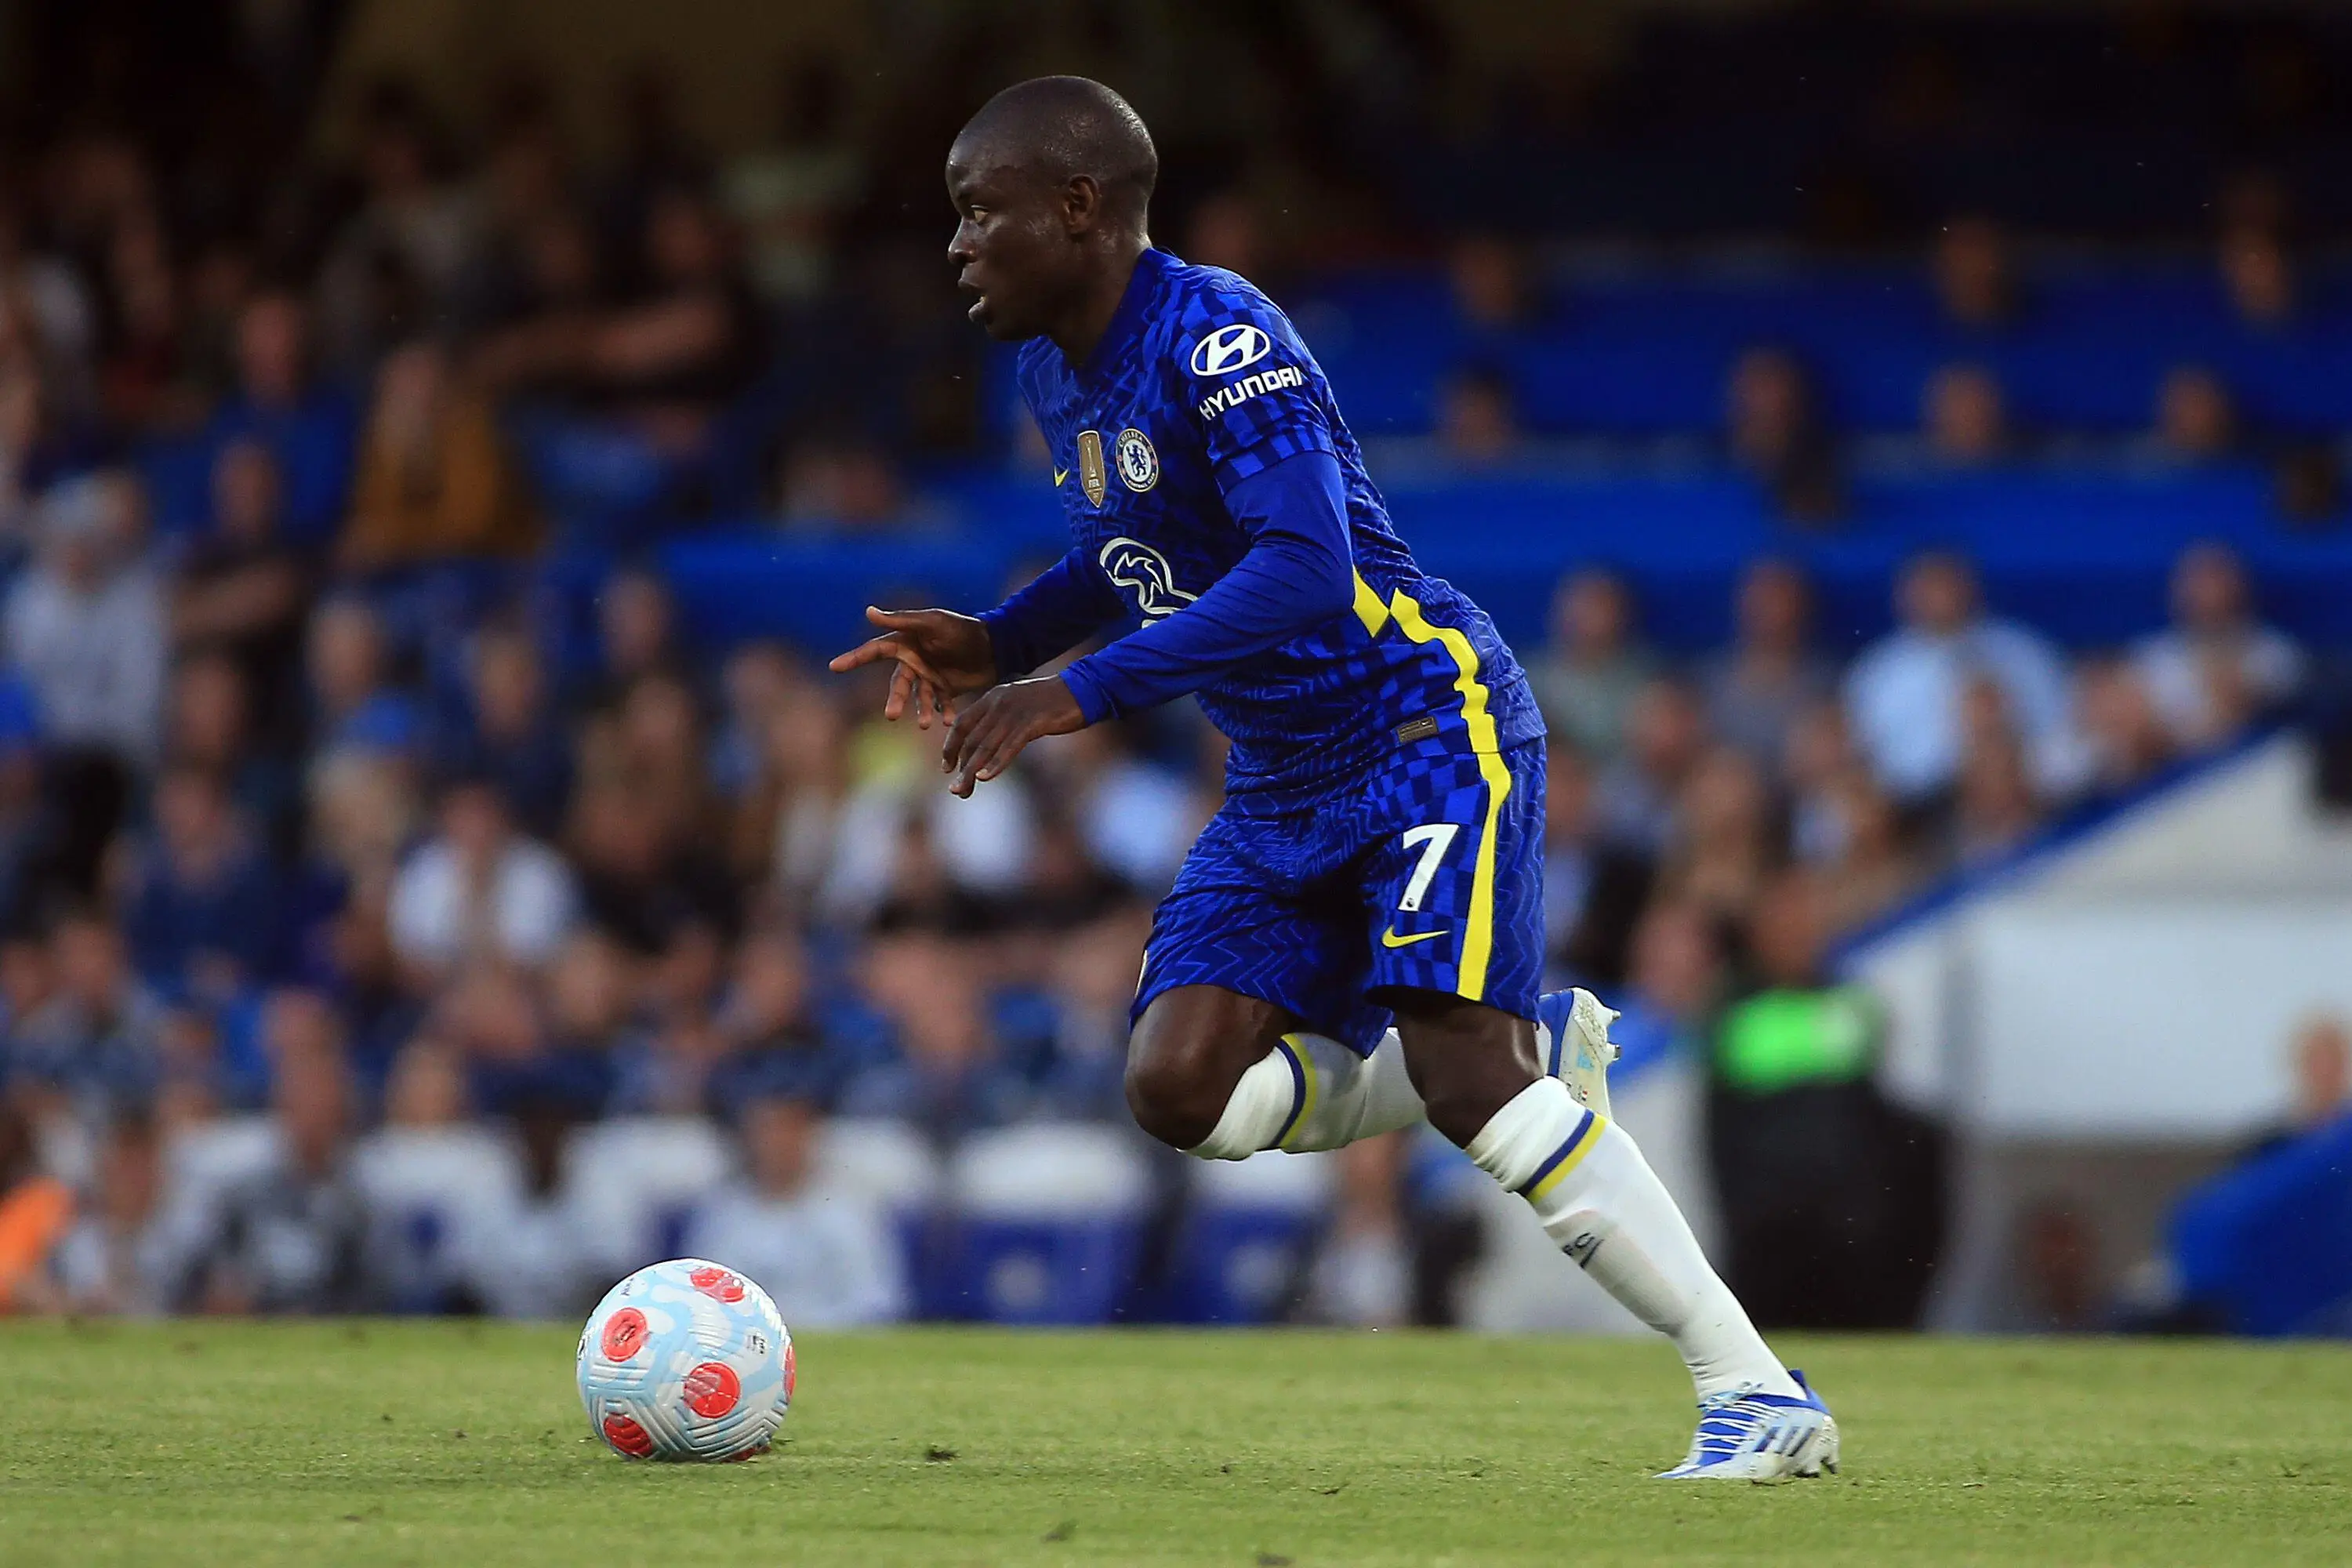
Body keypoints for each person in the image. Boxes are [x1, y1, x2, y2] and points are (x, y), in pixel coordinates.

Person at [830, 76, 1833, 1479]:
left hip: (1426, 728)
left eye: (979, 210)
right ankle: (1468, 1062)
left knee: (1478, 1078)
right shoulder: (1057, 372)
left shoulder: (1222, 333)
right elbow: (1135, 550)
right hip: (1285, 777)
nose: (957, 244)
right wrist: (999, 638)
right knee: (1175, 1089)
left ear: (1082, 207)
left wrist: (1075, 689)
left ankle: (1757, 1393)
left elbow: (1307, 570)